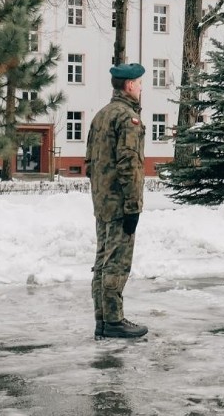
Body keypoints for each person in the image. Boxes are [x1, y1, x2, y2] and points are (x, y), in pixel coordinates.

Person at [85, 63, 149, 339]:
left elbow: (89, 162)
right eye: (139, 83)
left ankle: (103, 319)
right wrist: (133, 206)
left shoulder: (101, 116)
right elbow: (130, 165)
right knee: (117, 262)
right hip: (121, 202)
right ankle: (113, 320)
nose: (141, 87)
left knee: (102, 259)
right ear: (129, 85)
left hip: (102, 201)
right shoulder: (127, 119)